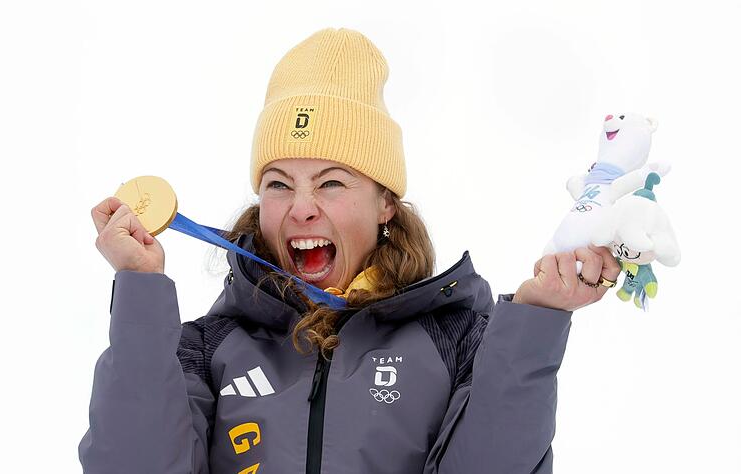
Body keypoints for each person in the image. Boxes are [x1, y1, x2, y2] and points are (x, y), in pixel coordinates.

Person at [79, 28, 621, 474]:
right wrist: (140, 289)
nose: (302, 208)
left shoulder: (458, 339)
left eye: (332, 183)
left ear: (385, 203)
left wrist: (537, 320)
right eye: (278, 183)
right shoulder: (204, 349)